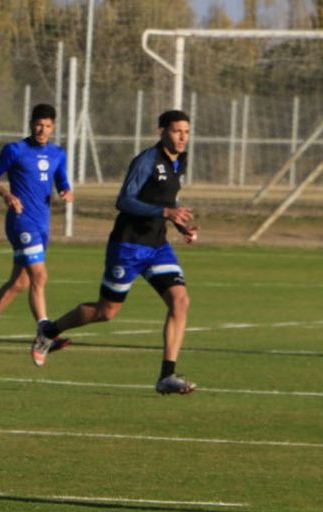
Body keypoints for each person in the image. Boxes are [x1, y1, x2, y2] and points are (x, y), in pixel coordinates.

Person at [34, 109, 199, 394]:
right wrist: (165, 211)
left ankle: (166, 376)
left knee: (180, 301)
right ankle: (49, 331)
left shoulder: (179, 161)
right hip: (128, 246)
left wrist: (179, 223)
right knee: (106, 312)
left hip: (158, 247)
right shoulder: (147, 160)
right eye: (177, 131)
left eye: (186, 131)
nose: (183, 137)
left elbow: (168, 200)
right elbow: (123, 201)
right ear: (161, 131)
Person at [0, 103, 73, 360]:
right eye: (38, 124)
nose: (42, 129)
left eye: (47, 125)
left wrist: (66, 190)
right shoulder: (15, 150)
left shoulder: (58, 153)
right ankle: (45, 332)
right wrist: (6, 193)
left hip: (42, 223)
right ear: (31, 124)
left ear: (54, 127)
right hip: (20, 221)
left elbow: (62, 178)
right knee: (39, 276)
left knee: (20, 283)